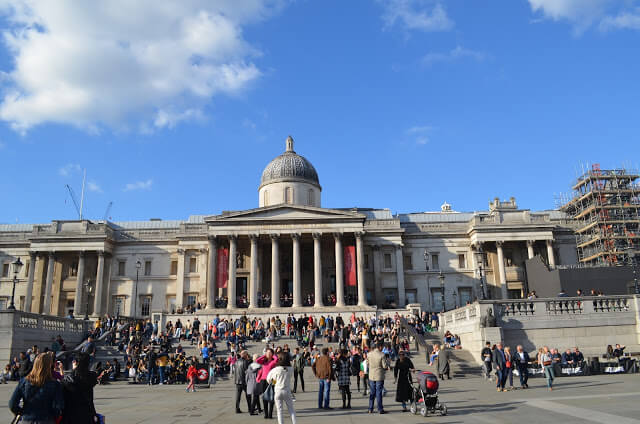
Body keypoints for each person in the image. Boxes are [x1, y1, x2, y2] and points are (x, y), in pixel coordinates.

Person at [9, 352, 64, 423]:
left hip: (27, 419)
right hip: (46, 419)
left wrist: (22, 412)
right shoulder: (55, 384)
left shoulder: (24, 381)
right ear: (49, 366)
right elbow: (58, 406)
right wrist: (52, 416)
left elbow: (12, 404)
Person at [61, 353, 99, 424]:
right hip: (87, 413)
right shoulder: (91, 377)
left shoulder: (69, 378)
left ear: (75, 362)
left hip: (71, 414)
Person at [266, 352, 296, 424]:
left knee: (279, 411)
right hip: (287, 389)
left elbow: (269, 380)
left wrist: (275, 382)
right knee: (291, 409)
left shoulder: (276, 369)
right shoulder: (291, 369)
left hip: (278, 390)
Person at [367, 341, 388, 414]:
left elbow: (367, 363)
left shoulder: (369, 354)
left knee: (372, 392)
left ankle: (370, 408)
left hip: (371, 375)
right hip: (379, 375)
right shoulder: (382, 355)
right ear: (380, 347)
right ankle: (380, 409)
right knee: (378, 392)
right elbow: (384, 366)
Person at [257, 347, 278, 418]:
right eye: (267, 352)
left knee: (272, 397)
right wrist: (264, 355)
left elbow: (277, 359)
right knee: (264, 397)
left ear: (272, 354)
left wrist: (273, 355)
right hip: (263, 380)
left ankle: (270, 414)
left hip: (272, 380)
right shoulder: (263, 361)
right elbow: (257, 360)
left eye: (270, 352)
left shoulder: (273, 361)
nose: (268, 354)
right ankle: (266, 414)